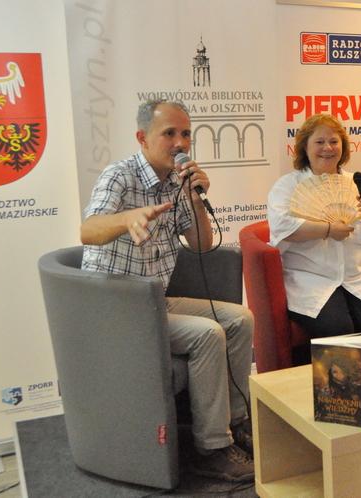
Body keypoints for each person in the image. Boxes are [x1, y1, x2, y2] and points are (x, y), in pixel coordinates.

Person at [80, 99, 255, 482]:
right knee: (208, 334)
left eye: (186, 134)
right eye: (169, 133)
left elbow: (201, 244)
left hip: (155, 301)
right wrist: (126, 218)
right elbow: (88, 230)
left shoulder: (178, 183)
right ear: (142, 138)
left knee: (240, 319)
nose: (180, 143)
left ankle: (237, 422)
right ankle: (212, 449)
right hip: (117, 307)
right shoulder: (120, 175)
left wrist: (194, 198)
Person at [268, 114, 361, 362]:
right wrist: (327, 229)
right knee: (336, 328)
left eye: (334, 142)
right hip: (312, 277)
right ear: (305, 147)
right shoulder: (287, 186)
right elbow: (282, 226)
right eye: (319, 142)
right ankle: (339, 385)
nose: (328, 148)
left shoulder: (357, 183)